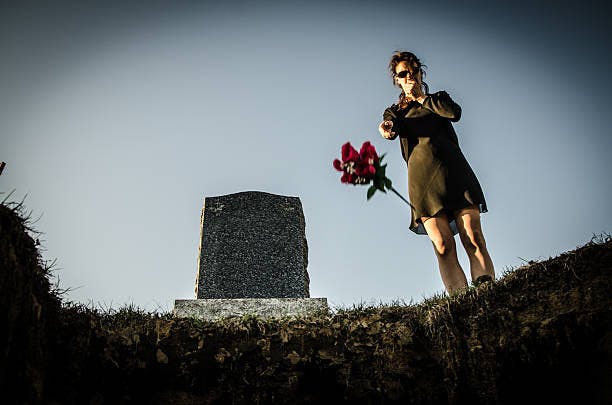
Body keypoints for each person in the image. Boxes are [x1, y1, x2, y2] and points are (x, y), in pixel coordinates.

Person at [378, 51, 494, 293]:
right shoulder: (395, 112)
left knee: (472, 237)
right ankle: (461, 302)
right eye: (403, 73)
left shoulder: (438, 99)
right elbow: (389, 129)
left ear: (421, 73)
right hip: (423, 182)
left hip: (455, 174)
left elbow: (454, 114)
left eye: (413, 71)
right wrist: (386, 129)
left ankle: (487, 294)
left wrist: (421, 98)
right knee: (442, 245)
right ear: (396, 80)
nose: (409, 76)